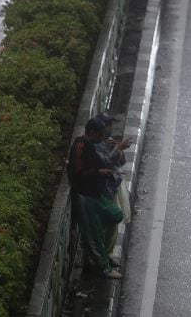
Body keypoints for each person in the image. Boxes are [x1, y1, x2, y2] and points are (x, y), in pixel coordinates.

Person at [67, 118, 123, 279]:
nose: (102, 137)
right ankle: (103, 267)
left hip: (97, 193)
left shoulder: (91, 146)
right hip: (85, 196)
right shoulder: (80, 146)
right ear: (92, 132)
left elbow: (101, 163)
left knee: (115, 215)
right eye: (100, 134)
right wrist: (97, 173)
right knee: (94, 235)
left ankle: (104, 257)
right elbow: (77, 172)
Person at [93, 113, 132, 266]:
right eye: (108, 125)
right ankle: (100, 260)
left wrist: (118, 147)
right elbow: (106, 162)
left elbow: (121, 162)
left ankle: (107, 255)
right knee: (102, 227)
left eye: (110, 124)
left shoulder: (108, 142)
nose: (110, 128)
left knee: (112, 226)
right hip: (101, 192)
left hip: (112, 189)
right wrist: (117, 149)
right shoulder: (95, 146)